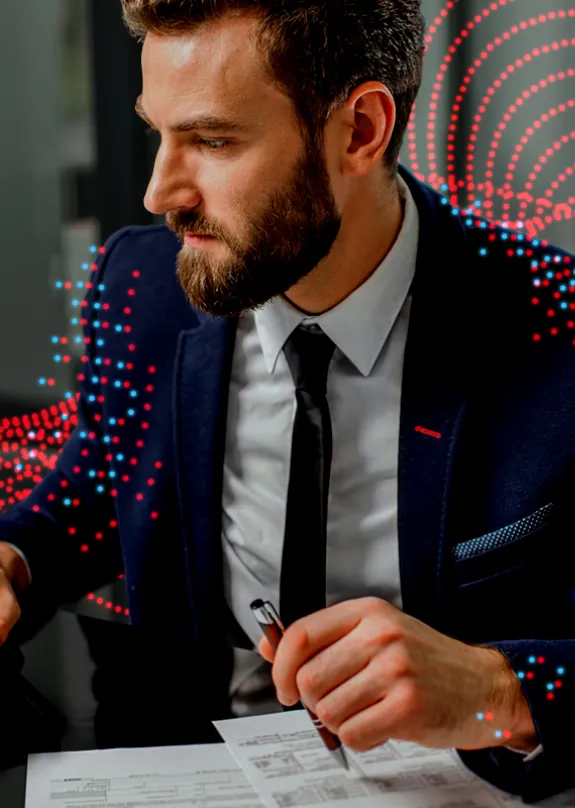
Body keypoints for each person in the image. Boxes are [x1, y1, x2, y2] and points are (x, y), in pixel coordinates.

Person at [0, 0, 574, 800]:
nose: (160, 194)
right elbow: (102, 480)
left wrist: (498, 691)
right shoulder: (139, 285)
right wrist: (19, 560)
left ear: (360, 131)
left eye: (211, 140)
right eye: (155, 132)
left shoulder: (554, 324)